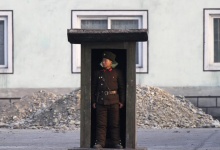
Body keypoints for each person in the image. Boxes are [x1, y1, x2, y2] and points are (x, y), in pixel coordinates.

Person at [92, 51, 125, 149]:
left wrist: (122, 101)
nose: (104, 62)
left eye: (106, 60)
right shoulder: (98, 73)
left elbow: (122, 88)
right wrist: (94, 101)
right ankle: (99, 143)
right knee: (101, 124)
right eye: (103, 60)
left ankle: (116, 143)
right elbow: (93, 88)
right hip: (101, 101)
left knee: (115, 124)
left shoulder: (117, 72)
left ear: (111, 62)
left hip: (114, 101)